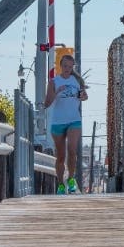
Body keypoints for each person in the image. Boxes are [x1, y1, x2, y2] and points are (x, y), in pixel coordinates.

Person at [45, 54, 87, 194]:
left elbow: (83, 95)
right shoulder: (53, 81)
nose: (68, 69)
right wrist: (56, 92)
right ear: (60, 66)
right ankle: (61, 184)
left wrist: (83, 96)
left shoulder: (77, 80)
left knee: (72, 150)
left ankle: (70, 179)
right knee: (61, 155)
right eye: (65, 66)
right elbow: (47, 103)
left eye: (70, 67)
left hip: (74, 120)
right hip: (58, 122)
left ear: (72, 67)